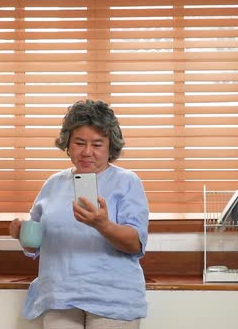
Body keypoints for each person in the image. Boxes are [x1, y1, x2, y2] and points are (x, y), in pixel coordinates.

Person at [9, 99, 150, 329]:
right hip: (59, 296)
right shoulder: (53, 184)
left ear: (110, 146)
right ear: (68, 144)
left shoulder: (127, 182)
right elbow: (35, 244)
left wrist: (103, 225)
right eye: (79, 143)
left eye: (97, 144)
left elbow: (135, 244)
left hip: (113, 299)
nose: (87, 152)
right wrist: (20, 233)